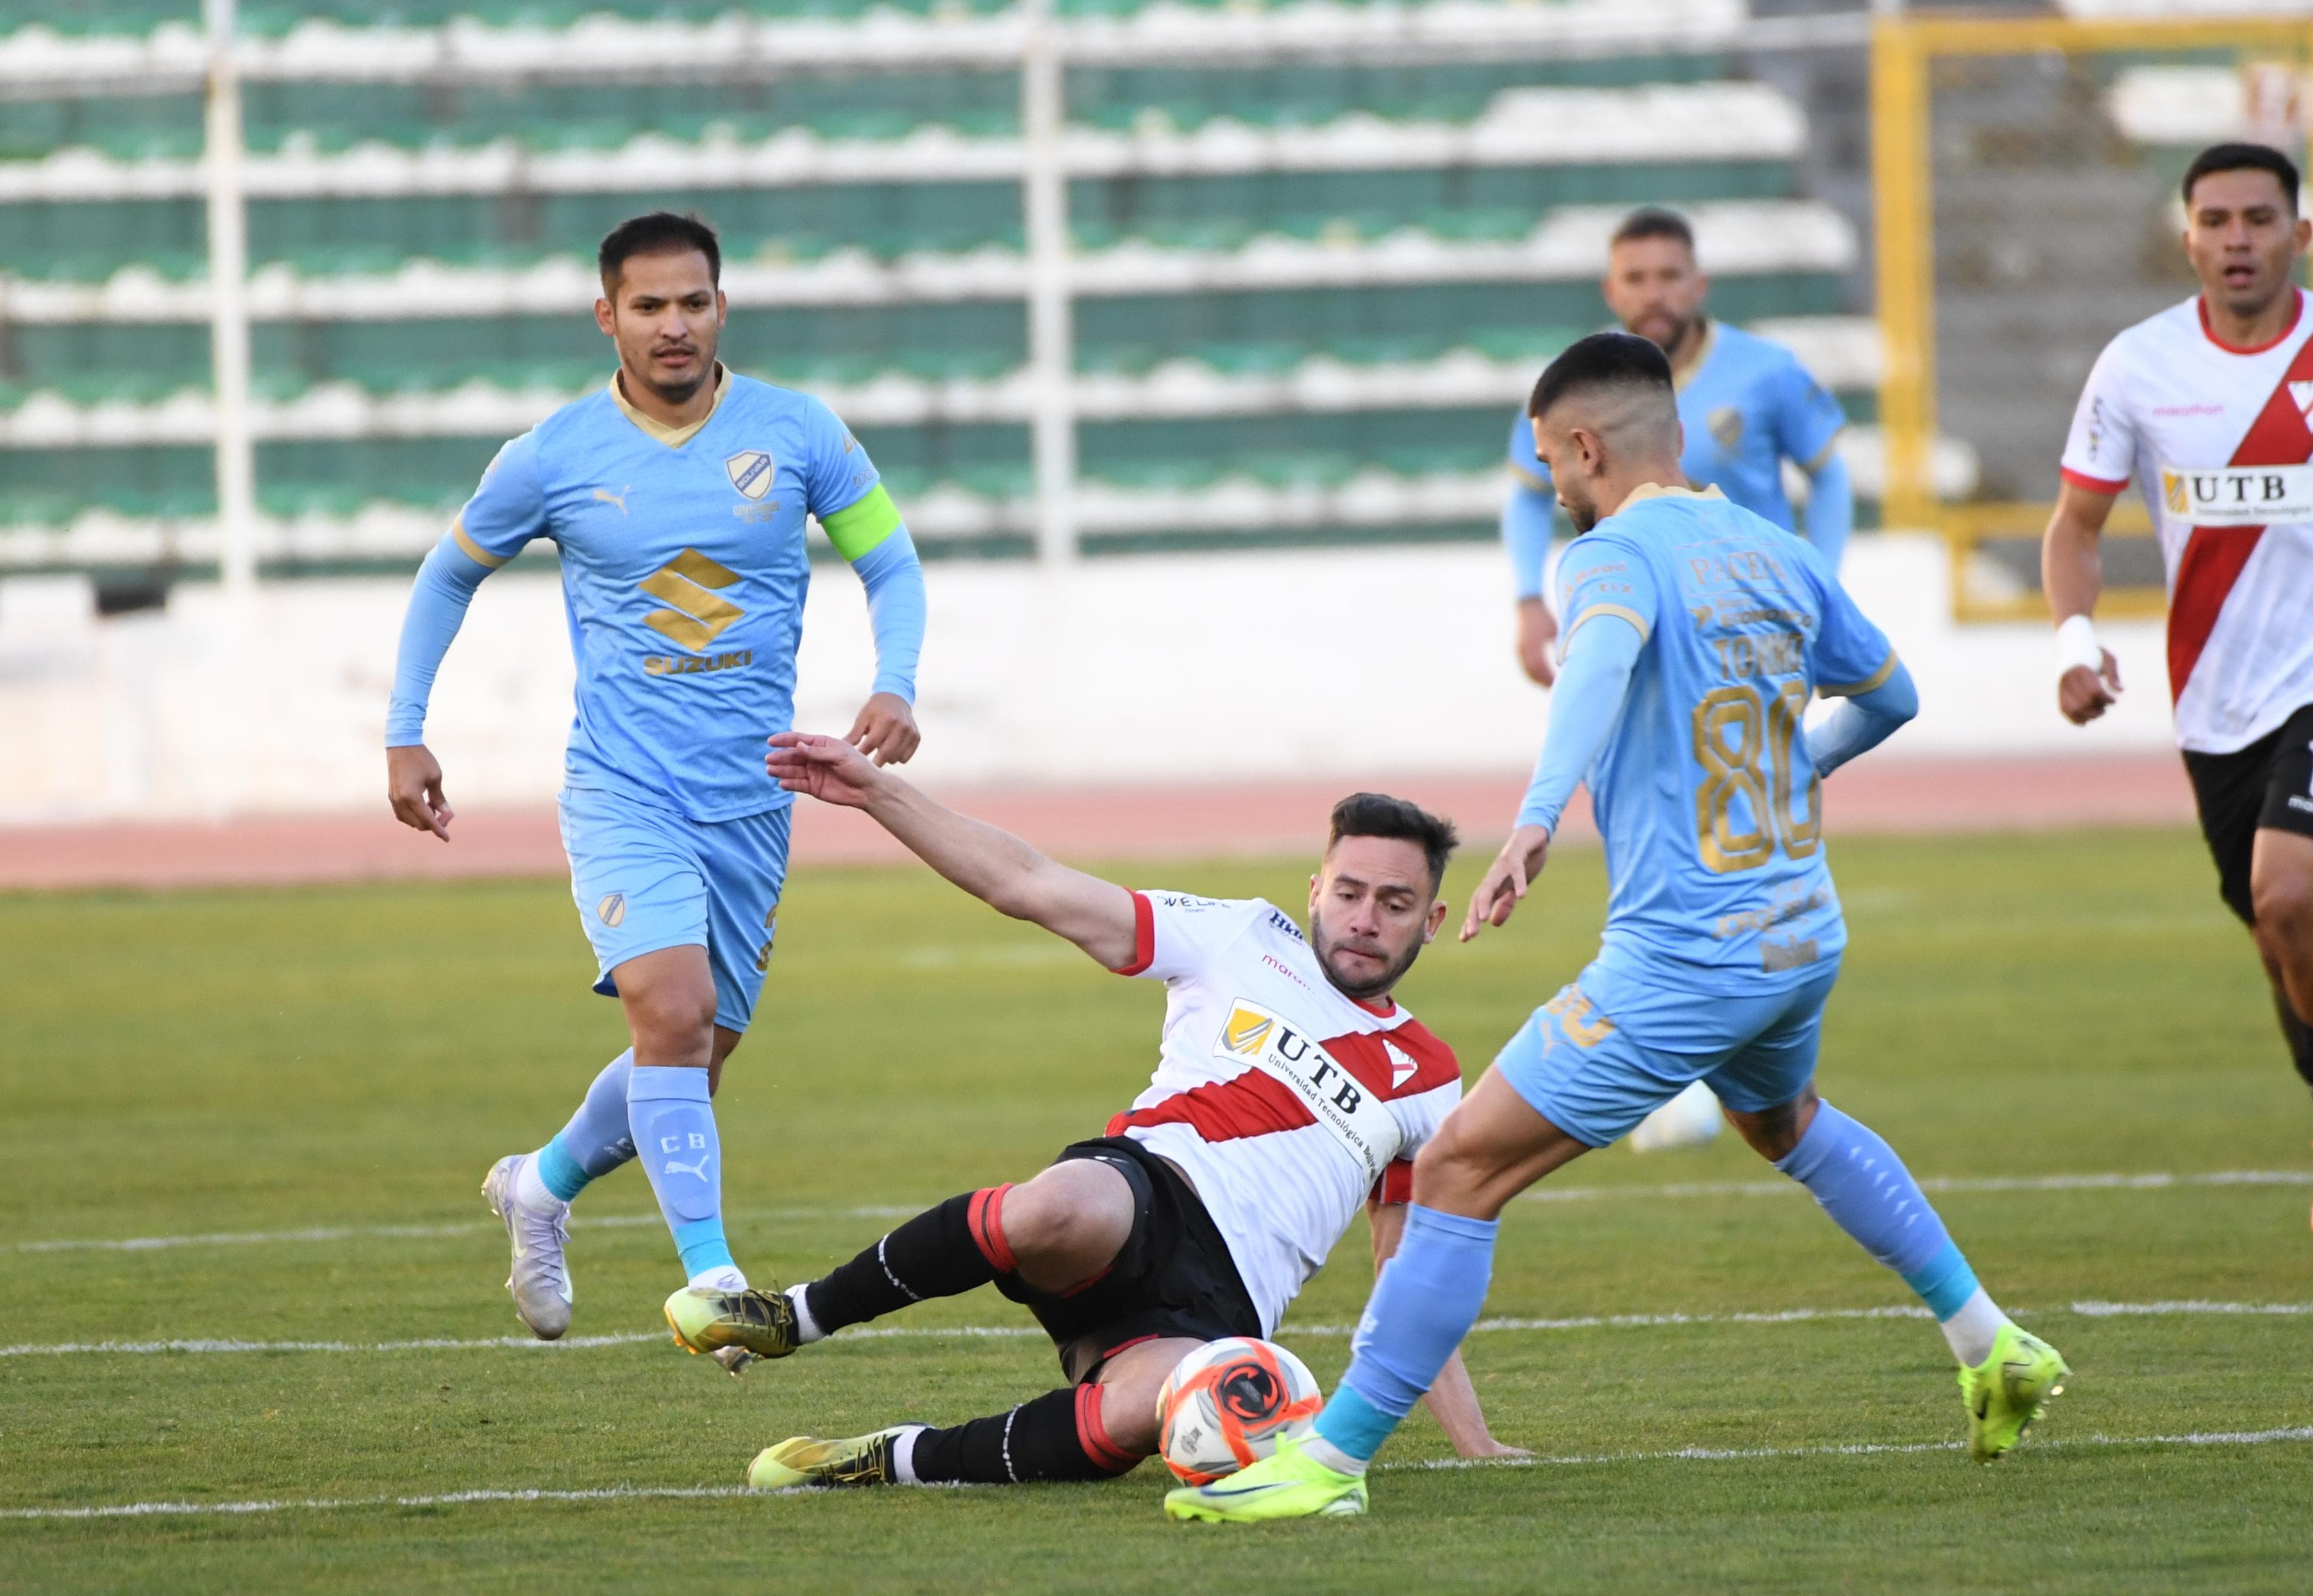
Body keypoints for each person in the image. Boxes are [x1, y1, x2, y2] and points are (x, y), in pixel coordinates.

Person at [1167, 333, 2067, 1524]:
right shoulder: (1778, 547)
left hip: (1689, 955)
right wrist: (1795, 772)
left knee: (1457, 1167)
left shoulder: (1610, 555)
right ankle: (1991, 1339)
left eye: (1551, 460)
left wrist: (1538, 818)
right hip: (1800, 929)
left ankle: (1328, 1462)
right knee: (1785, 1121)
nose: (1551, 484)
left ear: (1586, 445)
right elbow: (1890, 694)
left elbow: (1595, 664)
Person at [667, 752, 1522, 1488]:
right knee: (1060, 1206)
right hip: (1144, 1196)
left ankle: (886, 1458)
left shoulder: (1430, 1078)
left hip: (1223, 1308)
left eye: (1395, 903)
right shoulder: (1240, 937)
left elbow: (1410, 1274)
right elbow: (1030, 883)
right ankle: (792, 1316)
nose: (1364, 919)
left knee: (1138, 1416)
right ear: (1316, 890)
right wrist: (877, 792)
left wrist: (1472, 1439)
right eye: (1349, 891)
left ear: (1431, 922)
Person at [381, 211, 930, 1340]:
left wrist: (896, 683)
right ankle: (714, 1280)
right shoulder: (553, 455)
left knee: (690, 1058)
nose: (673, 324)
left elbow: (891, 559)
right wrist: (405, 730)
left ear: (722, 307)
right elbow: (447, 575)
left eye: (692, 302)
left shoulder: (801, 432)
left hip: (755, 797)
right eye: (648, 306)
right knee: (672, 1010)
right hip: (623, 789)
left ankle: (539, 1184)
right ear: (607, 316)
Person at [2041, 142, 2313, 1274]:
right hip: (2214, 703)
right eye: (2216, 220)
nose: (2238, 239)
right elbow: (2075, 525)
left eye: (2259, 218)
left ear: (2300, 233)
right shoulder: (2138, 365)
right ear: (2186, 236)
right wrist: (2076, 641)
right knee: (2279, 935)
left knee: (2289, 896)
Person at [1502, 206, 1854, 689]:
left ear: (1699, 285)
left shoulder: (1767, 370)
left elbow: (1829, 475)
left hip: (1753, 625)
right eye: (1635, 278)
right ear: (1610, 291)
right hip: (1636, 624)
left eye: (1669, 276)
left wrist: (1823, 588)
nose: (1654, 295)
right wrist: (1528, 598)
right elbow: (1529, 491)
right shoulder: (1577, 384)